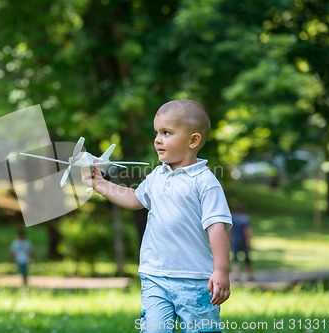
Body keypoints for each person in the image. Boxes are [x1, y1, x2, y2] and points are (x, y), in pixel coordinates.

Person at [82, 99, 232, 333]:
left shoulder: (204, 181)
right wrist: (99, 184)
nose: (158, 139)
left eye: (167, 133)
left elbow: (217, 227)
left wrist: (221, 271)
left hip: (195, 280)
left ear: (193, 140)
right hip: (155, 276)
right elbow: (135, 199)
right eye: (156, 133)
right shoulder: (157, 175)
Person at [230, 205, 254, 282]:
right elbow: (247, 230)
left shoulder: (233, 218)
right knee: (247, 258)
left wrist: (229, 240)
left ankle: (236, 275)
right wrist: (249, 241)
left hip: (235, 240)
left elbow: (229, 230)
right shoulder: (245, 219)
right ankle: (249, 275)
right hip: (243, 241)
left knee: (235, 258)